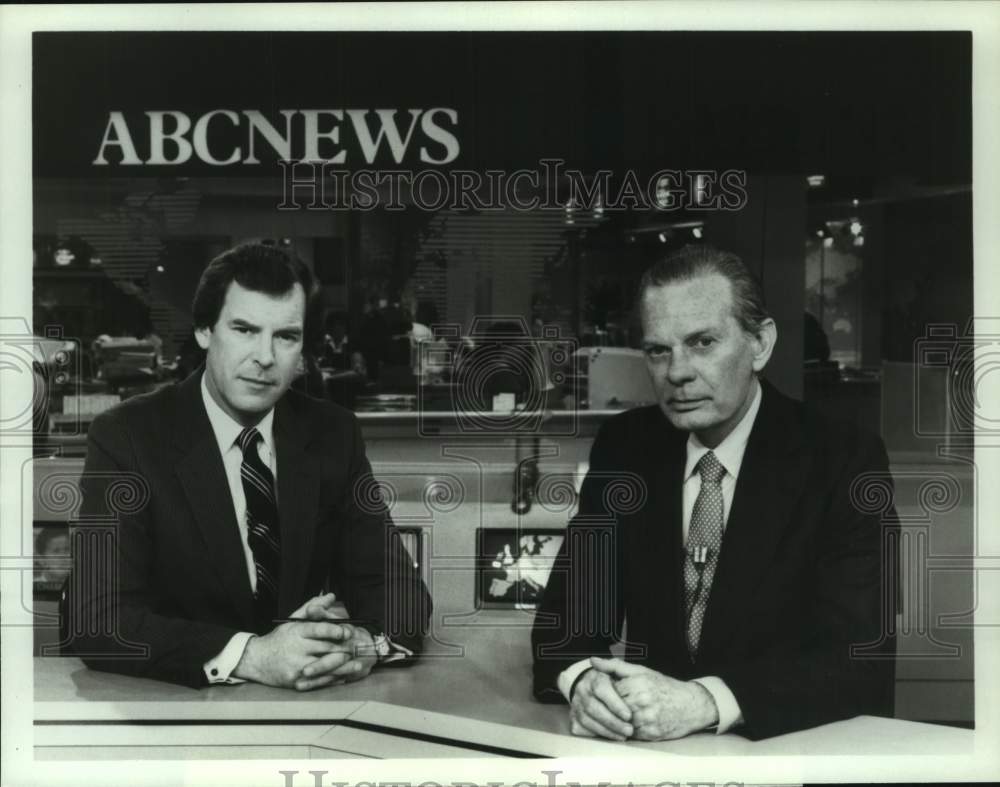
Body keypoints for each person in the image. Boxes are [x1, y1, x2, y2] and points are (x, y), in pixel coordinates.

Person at [532, 245, 897, 741]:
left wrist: (705, 701)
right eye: (658, 350)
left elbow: (860, 658)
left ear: (760, 344)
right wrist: (585, 683)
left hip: (786, 755)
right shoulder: (626, 448)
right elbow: (565, 623)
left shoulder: (843, 458)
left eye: (702, 342)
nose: (677, 372)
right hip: (655, 761)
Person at [67, 242, 431, 690]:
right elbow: (98, 620)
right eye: (244, 329)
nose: (265, 357)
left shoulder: (332, 433)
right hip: (171, 712)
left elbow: (400, 592)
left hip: (308, 708)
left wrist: (361, 642)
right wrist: (252, 655)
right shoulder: (127, 436)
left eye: (286, 336)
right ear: (204, 330)